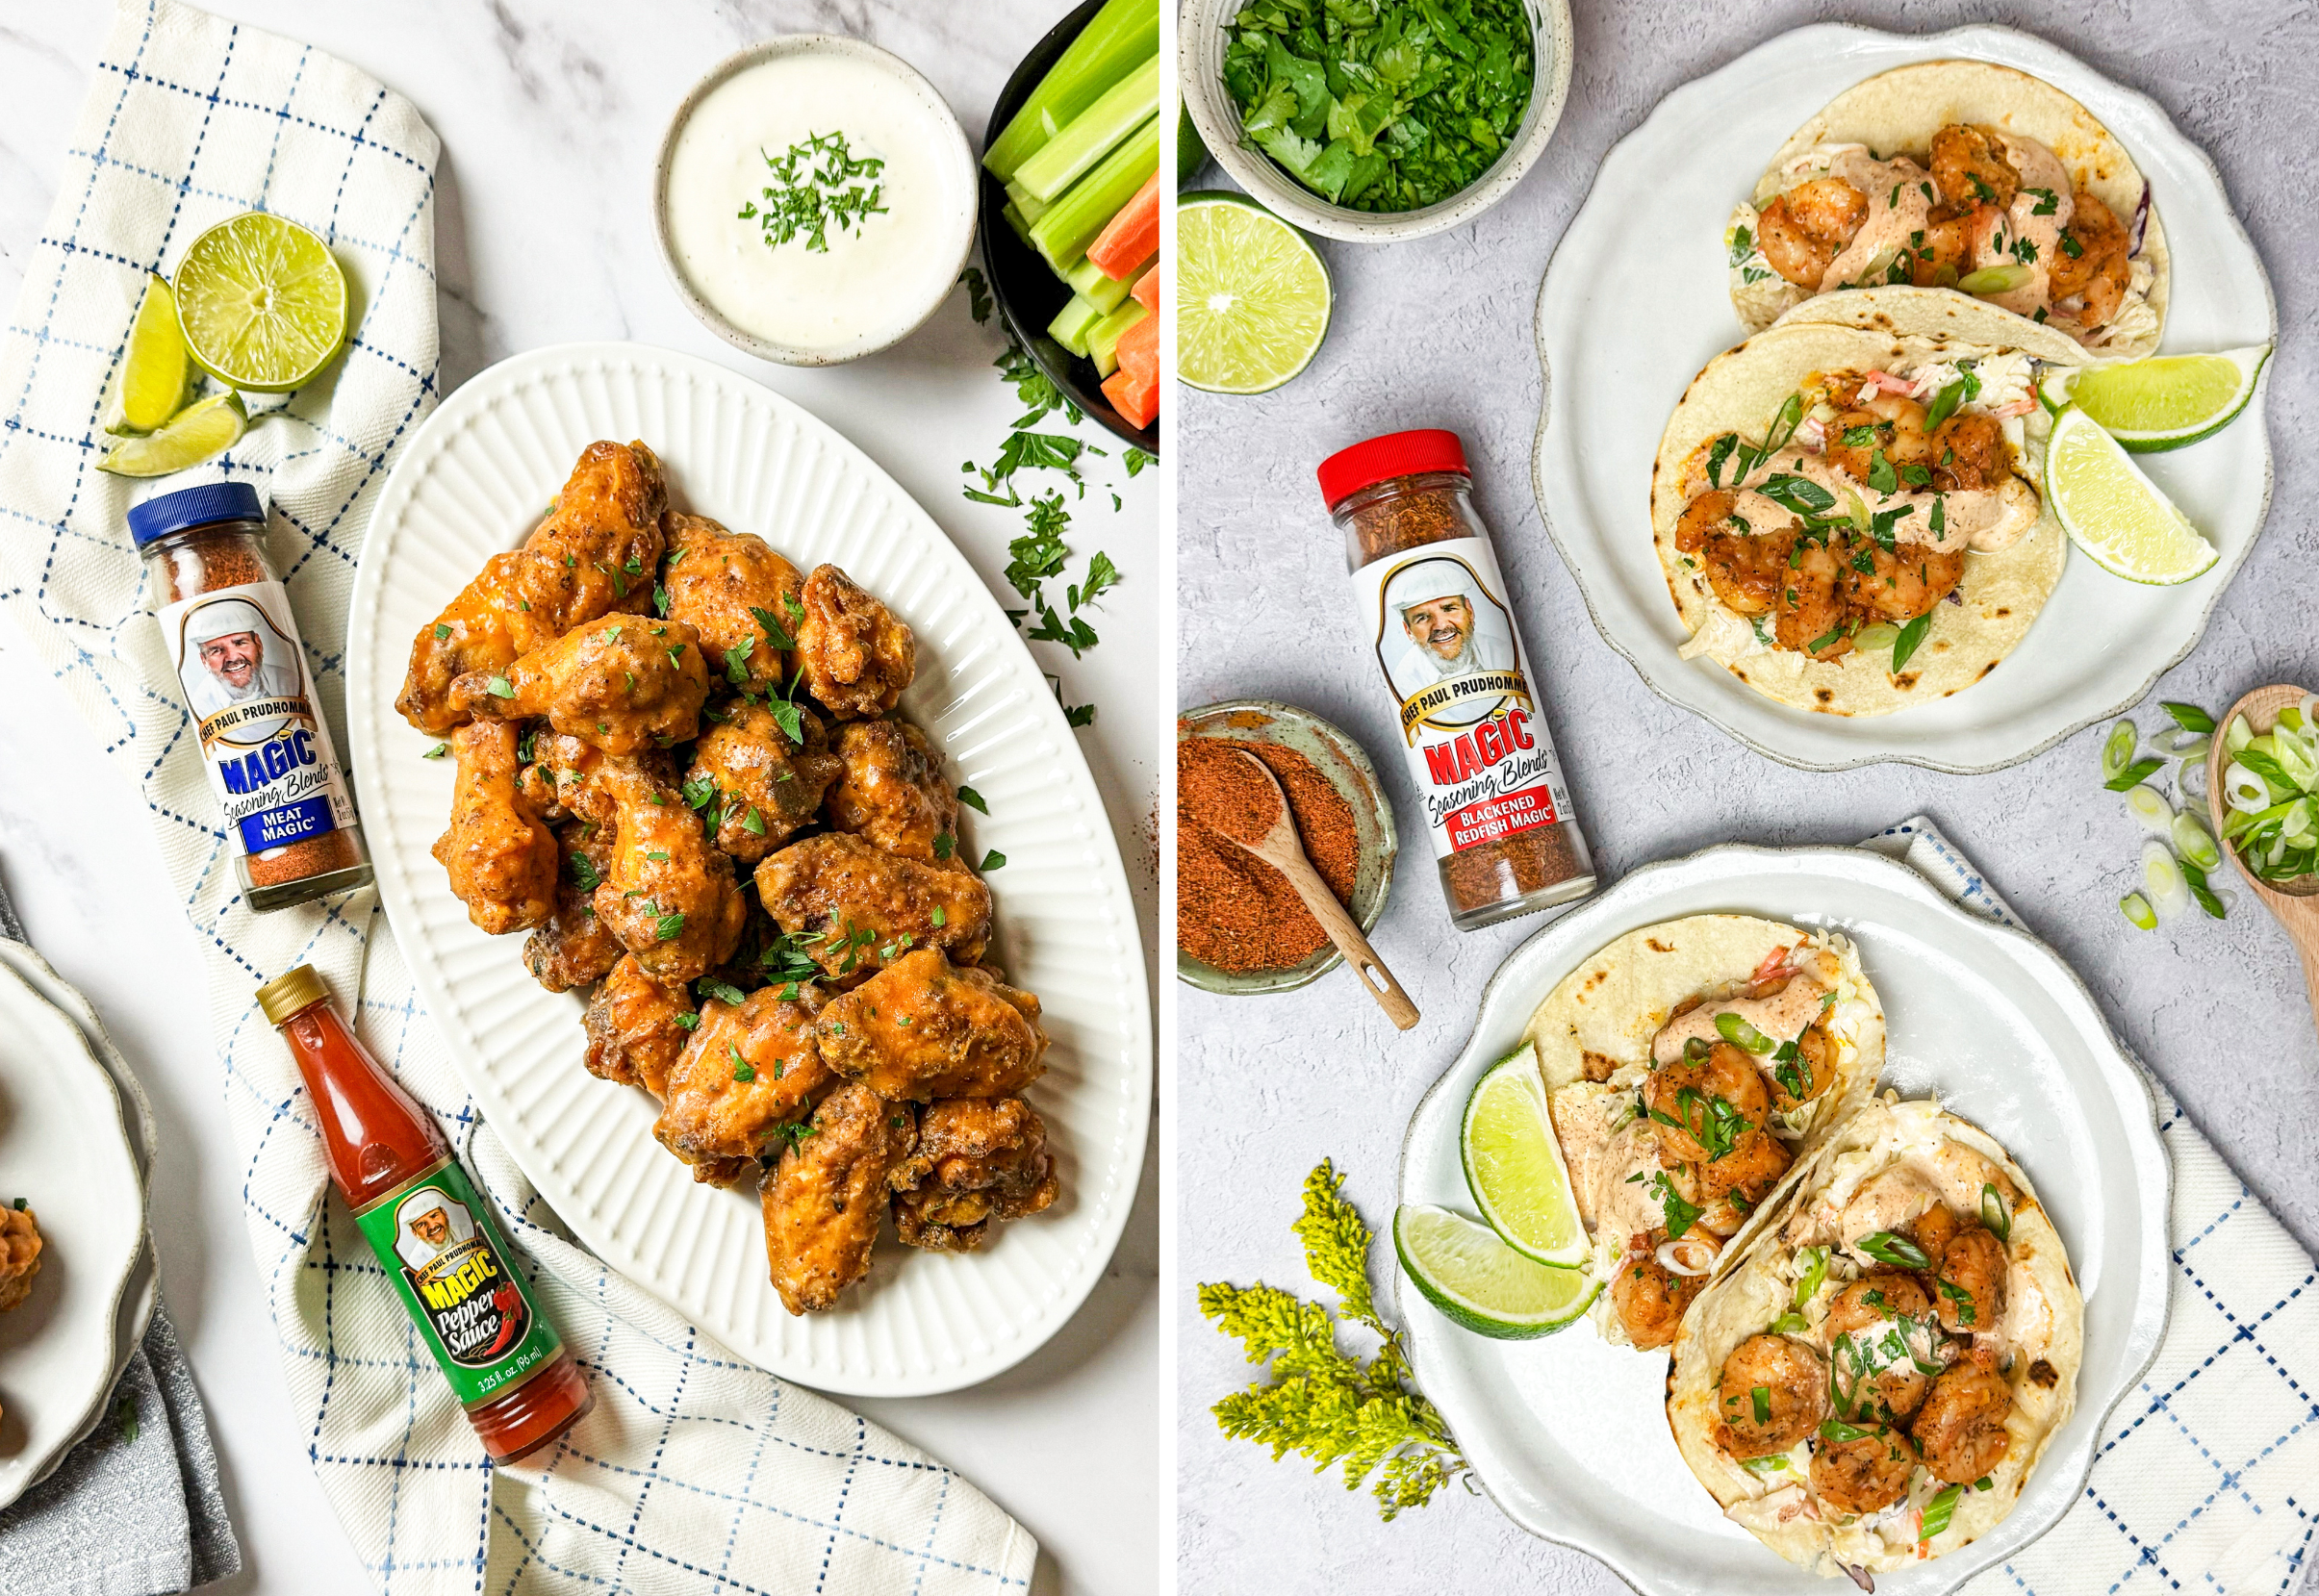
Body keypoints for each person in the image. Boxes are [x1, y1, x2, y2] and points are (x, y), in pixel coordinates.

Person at [1382, 559, 1513, 697]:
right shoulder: (1406, 681)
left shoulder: (1501, 653)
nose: (1441, 625)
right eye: (1423, 618)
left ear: (1469, 611)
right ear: (1408, 631)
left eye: (1449, 608)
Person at [181, 596, 300, 719]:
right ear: (204, 660)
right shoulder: (202, 706)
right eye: (216, 650)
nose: (232, 658)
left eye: (240, 643)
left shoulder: (288, 681)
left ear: (259, 645)